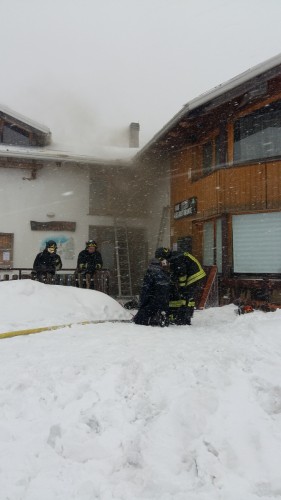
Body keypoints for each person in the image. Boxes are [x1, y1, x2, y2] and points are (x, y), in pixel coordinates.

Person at [168, 249, 206, 325]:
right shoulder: (176, 255)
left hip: (194, 277)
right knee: (188, 297)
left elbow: (182, 274)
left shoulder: (176, 258)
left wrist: (182, 287)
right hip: (195, 275)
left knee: (186, 297)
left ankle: (184, 318)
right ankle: (185, 318)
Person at [133, 255, 170, 327]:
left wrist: (142, 304)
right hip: (164, 302)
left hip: (153, 301)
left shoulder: (150, 273)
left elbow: (145, 290)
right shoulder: (164, 274)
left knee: (139, 319)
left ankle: (152, 318)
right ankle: (161, 316)